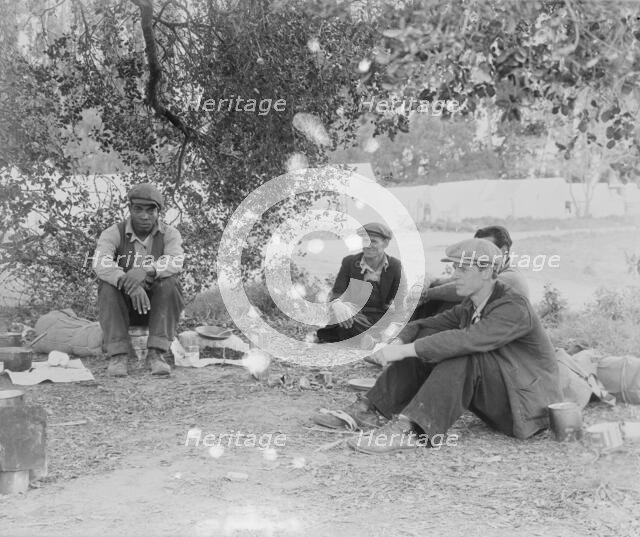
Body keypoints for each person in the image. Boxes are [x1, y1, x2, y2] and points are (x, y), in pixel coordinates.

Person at [313, 238, 562, 454]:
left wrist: (404, 350)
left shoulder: (513, 307)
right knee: (427, 345)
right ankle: (370, 409)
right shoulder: (473, 303)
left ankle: (411, 430)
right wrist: (398, 342)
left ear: (486, 272)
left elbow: (467, 340)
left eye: (463, 269)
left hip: (529, 409)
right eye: (455, 268)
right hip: (506, 394)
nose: (455, 275)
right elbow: (428, 324)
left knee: (462, 354)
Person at [93, 183, 185, 377]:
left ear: (158, 212)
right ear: (130, 209)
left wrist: (146, 270)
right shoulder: (113, 233)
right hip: (123, 307)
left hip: (156, 307)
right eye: (138, 209)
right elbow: (101, 263)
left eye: (151, 210)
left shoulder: (170, 233)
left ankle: (156, 354)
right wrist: (128, 283)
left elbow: (175, 261)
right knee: (106, 286)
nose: (145, 216)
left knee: (170, 283)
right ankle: (118, 356)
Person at [315, 222, 406, 348]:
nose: (368, 245)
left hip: (382, 316)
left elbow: (401, 303)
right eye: (364, 241)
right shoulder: (350, 262)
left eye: (373, 241)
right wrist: (337, 304)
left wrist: (392, 327)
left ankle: (373, 338)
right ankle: (375, 340)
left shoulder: (395, 266)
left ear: (385, 243)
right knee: (346, 319)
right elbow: (337, 293)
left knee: (405, 322)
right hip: (355, 315)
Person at [412, 225, 528, 320]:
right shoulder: (486, 268)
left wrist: (426, 294)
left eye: (484, 249)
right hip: (476, 321)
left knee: (452, 298)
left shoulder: (511, 277)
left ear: (503, 251)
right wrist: (430, 282)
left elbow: (462, 289)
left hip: (495, 331)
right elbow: (448, 281)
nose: (477, 254)